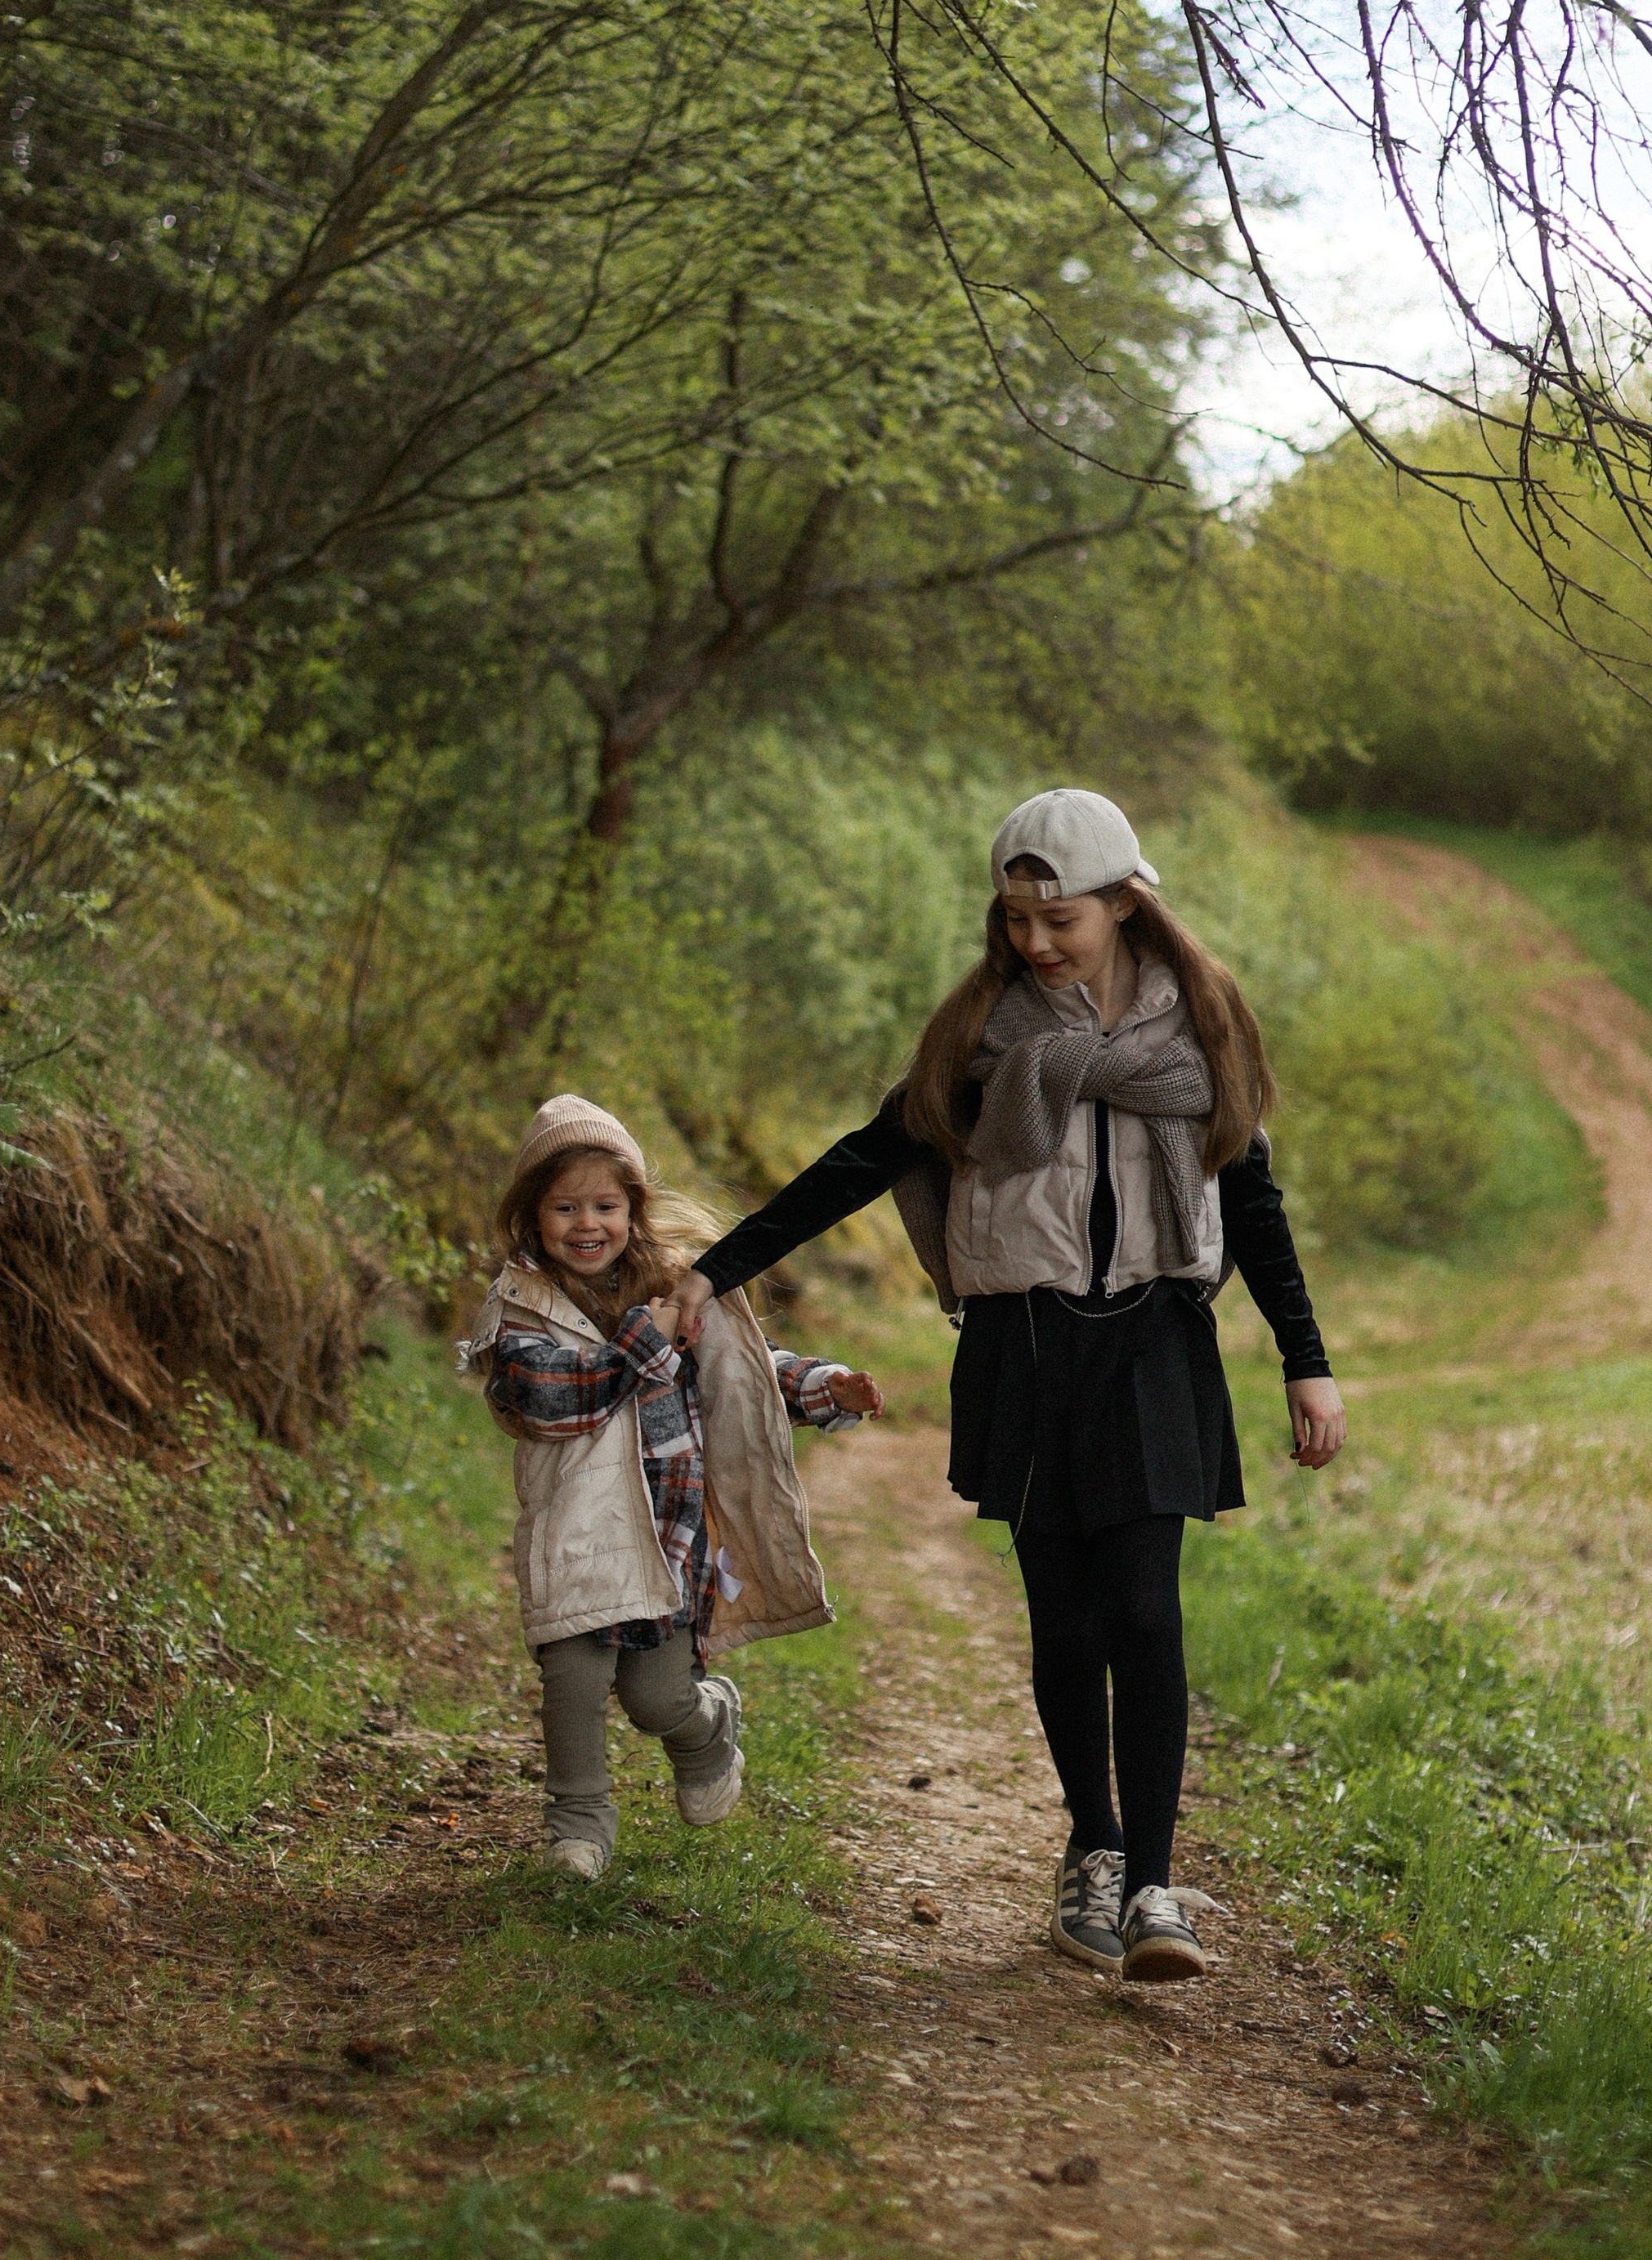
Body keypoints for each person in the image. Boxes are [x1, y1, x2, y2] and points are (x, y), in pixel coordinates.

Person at [673, 790, 1345, 1984]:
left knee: (1145, 1607)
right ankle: (1092, 1843)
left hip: (1156, 1336)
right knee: (1067, 1613)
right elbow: (867, 1159)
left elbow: (1251, 1197)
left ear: (1128, 902)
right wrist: (716, 1269)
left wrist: (1306, 1358)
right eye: (1019, 919)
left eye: (1061, 920)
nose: (1036, 942)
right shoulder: (980, 1032)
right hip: (1024, 1344)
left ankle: (1153, 1885)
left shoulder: (1201, 1028)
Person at [463, 1094, 884, 1880]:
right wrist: (641, 1340)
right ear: (532, 1216)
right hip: (576, 1533)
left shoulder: (677, 1295)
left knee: (656, 1696)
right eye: (564, 1207)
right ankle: (577, 1828)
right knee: (573, 1679)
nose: (586, 1224)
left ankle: (706, 1727)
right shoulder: (521, 1308)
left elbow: (746, 1375)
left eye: (604, 1205)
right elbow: (552, 1399)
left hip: (669, 1541)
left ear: (632, 1209)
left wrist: (827, 1388)